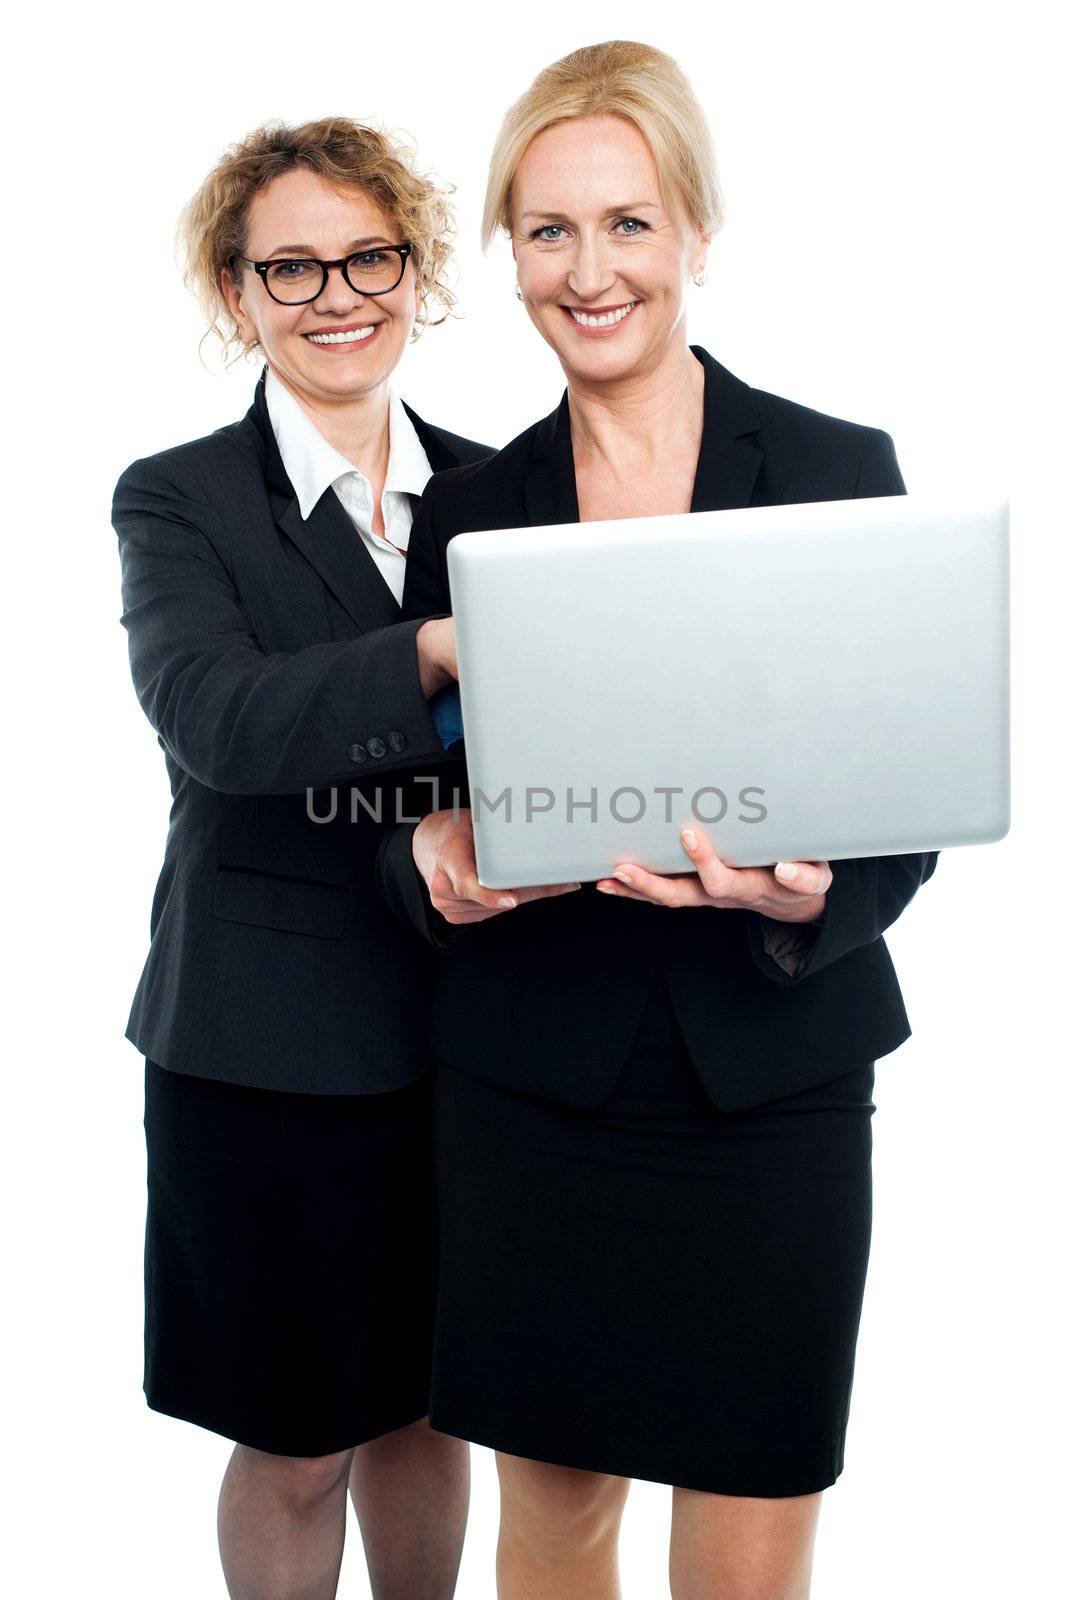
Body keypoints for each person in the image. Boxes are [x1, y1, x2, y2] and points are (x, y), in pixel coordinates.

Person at [376, 43, 938, 1600]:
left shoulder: (831, 470)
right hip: (529, 1087)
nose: (588, 269)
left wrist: (803, 894)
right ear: (510, 256)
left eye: (627, 224)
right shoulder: (471, 509)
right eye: (547, 231)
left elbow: (908, 804)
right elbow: (414, 809)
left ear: (696, 234)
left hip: (769, 1085)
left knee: (753, 1529)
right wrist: (428, 866)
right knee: (552, 1517)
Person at [111, 116, 492, 1600]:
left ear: (416, 270)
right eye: (291, 266)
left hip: (471, 1027)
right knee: (295, 1441)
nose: (338, 294)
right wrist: (443, 649)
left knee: (426, 1408)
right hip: (261, 1048)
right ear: (237, 294)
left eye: (369, 256)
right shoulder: (179, 497)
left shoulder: (491, 491)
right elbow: (218, 723)